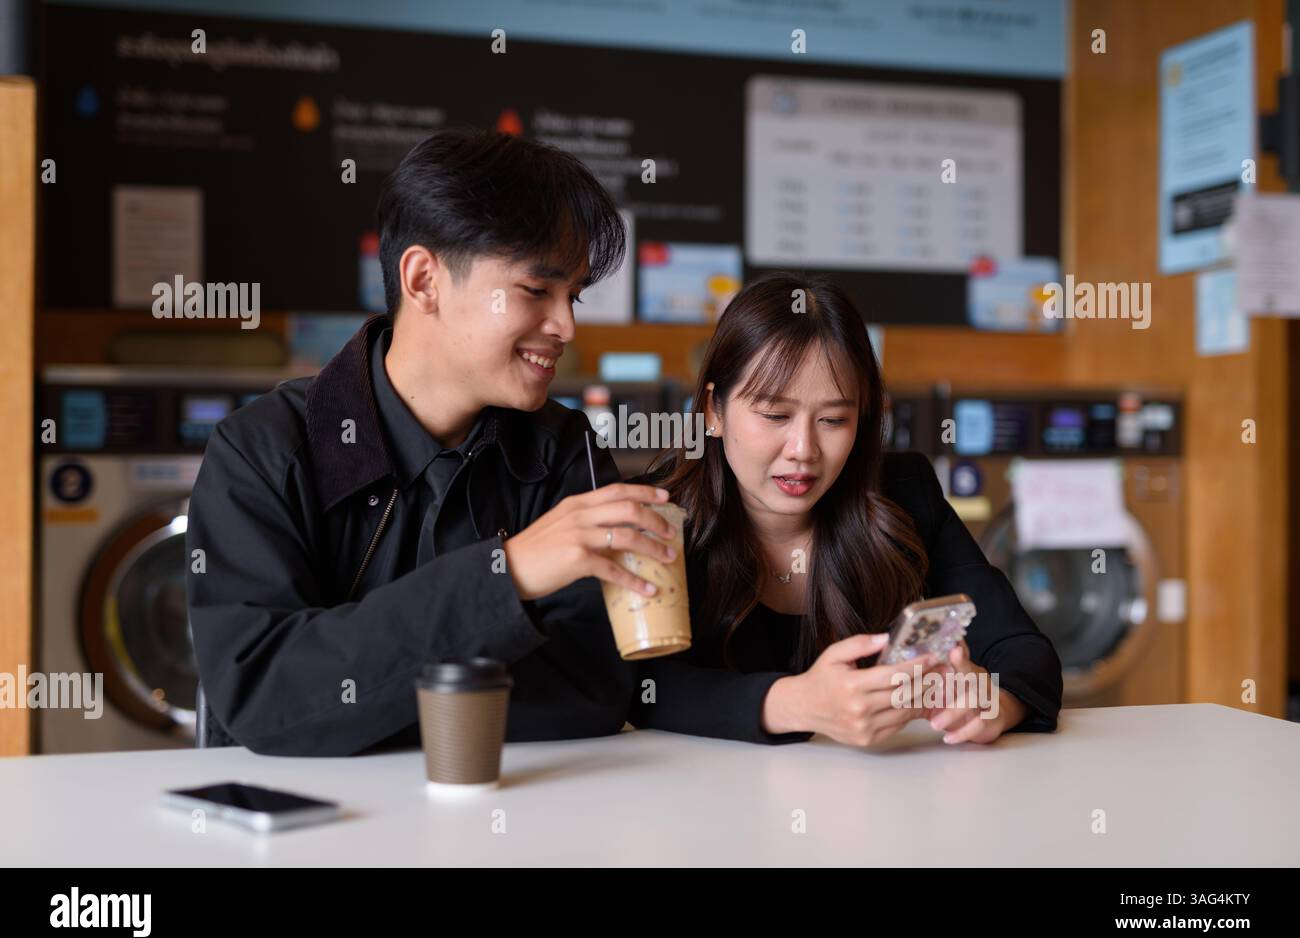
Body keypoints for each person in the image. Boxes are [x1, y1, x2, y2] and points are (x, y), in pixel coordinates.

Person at [186, 128, 676, 756]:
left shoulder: (562, 450)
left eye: (573, 296)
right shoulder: (262, 451)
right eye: (536, 290)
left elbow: (594, 691)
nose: (566, 326)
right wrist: (508, 575)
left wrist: (357, 701)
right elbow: (265, 696)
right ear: (423, 280)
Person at [628, 273, 1063, 747]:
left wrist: (993, 701)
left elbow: (1022, 650)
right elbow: (640, 687)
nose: (803, 449)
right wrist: (793, 703)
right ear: (714, 410)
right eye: (775, 416)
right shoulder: (655, 516)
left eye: (834, 419)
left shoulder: (904, 494)